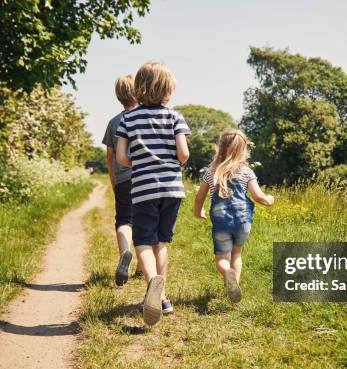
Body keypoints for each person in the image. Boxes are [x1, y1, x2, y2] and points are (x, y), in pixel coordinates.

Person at [116, 62, 190, 326]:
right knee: (161, 242)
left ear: (139, 88)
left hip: (144, 188)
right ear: (168, 89)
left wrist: (140, 164)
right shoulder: (175, 117)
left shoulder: (128, 119)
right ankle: (163, 298)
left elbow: (122, 157)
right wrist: (171, 162)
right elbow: (184, 154)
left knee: (143, 242)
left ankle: (153, 288)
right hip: (172, 188)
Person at [193, 128, 274, 302]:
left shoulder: (211, 171)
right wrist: (269, 199)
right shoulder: (246, 172)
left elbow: (199, 196)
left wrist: (198, 211)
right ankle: (234, 283)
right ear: (243, 150)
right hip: (243, 222)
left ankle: (226, 272)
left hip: (221, 222)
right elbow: (258, 196)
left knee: (222, 258)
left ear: (220, 148)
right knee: (236, 254)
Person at [102, 75, 141, 287]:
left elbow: (110, 156)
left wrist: (113, 180)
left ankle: (125, 252)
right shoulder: (145, 118)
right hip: (145, 178)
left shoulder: (114, 122)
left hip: (123, 179)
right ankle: (143, 267)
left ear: (119, 96)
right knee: (143, 221)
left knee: (124, 220)